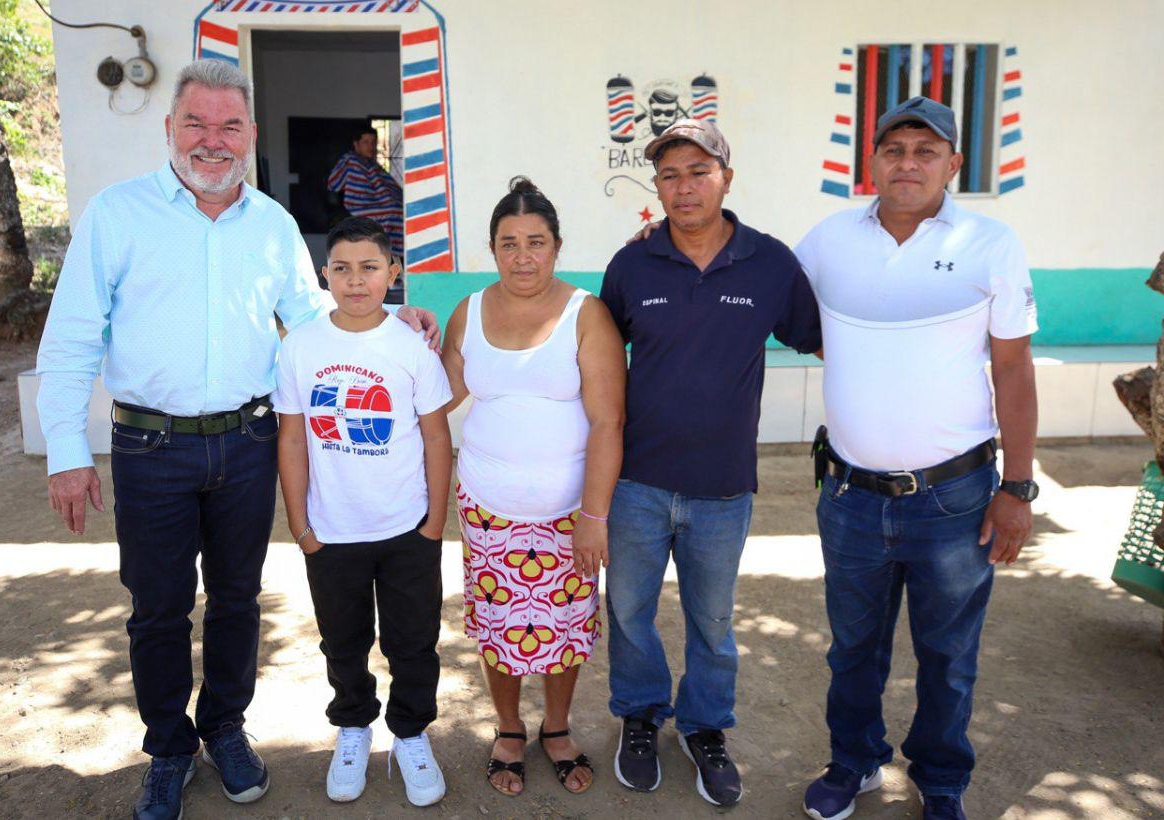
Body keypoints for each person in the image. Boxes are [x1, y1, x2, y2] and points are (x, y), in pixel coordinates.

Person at [35, 59, 437, 820]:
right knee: (157, 607)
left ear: (250, 135)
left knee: (235, 600)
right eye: (196, 123)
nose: (211, 141)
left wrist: (392, 320)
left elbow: (314, 314)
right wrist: (66, 451)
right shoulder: (117, 215)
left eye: (228, 126)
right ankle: (168, 748)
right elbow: (72, 338)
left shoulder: (272, 225)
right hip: (150, 450)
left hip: (249, 443)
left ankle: (224, 729)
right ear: (169, 129)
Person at [795, 97, 1038, 820]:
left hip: (954, 497)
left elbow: (1015, 370)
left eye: (925, 151)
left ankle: (940, 782)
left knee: (948, 655)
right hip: (850, 496)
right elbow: (775, 304)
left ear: (953, 164)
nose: (908, 163)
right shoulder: (829, 239)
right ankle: (854, 762)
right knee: (853, 650)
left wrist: (1017, 487)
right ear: (870, 161)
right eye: (894, 149)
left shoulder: (990, 242)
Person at [600, 119, 822, 807]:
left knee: (713, 621)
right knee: (630, 610)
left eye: (699, 171)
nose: (683, 185)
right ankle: (640, 716)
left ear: (727, 177)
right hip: (637, 481)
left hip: (724, 487)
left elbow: (826, 341)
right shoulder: (632, 264)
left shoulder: (770, 264)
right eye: (669, 174)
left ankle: (705, 728)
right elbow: (598, 364)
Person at [439, 177, 626, 797]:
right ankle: (509, 727)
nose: (524, 256)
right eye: (509, 243)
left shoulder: (586, 312)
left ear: (557, 246)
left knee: (565, 626)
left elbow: (607, 420)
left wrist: (594, 516)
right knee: (499, 624)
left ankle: (558, 727)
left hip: (566, 512)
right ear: (492, 250)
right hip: (487, 510)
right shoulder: (469, 310)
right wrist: (397, 333)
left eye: (536, 242)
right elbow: (440, 394)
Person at [274, 217, 452, 807]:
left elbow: (434, 437)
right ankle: (353, 727)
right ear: (325, 275)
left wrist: (433, 524)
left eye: (369, 267)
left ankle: (409, 731)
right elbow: (294, 438)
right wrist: (301, 526)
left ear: (393, 273)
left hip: (406, 529)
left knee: (413, 641)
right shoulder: (301, 344)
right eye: (342, 268)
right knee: (342, 641)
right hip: (332, 531)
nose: (356, 281)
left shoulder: (411, 345)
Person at [327, 126, 405, 269]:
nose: (370, 146)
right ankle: (386, 256)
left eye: (373, 142)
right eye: (366, 142)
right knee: (392, 212)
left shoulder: (374, 165)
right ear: (356, 144)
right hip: (359, 207)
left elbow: (390, 187)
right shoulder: (349, 160)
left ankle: (396, 258)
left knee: (400, 210)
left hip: (381, 206)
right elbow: (333, 184)